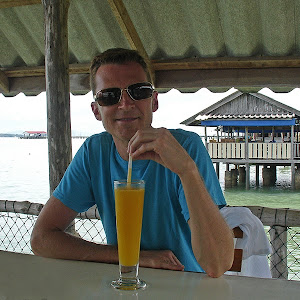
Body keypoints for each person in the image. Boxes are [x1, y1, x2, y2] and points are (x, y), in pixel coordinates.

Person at [30, 48, 234, 278]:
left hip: (188, 285)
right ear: (97, 111)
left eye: (138, 91)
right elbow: (41, 238)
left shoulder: (186, 148)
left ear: (154, 101)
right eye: (110, 96)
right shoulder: (94, 153)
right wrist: (132, 256)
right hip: (126, 284)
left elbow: (218, 264)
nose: (125, 104)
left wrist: (187, 171)